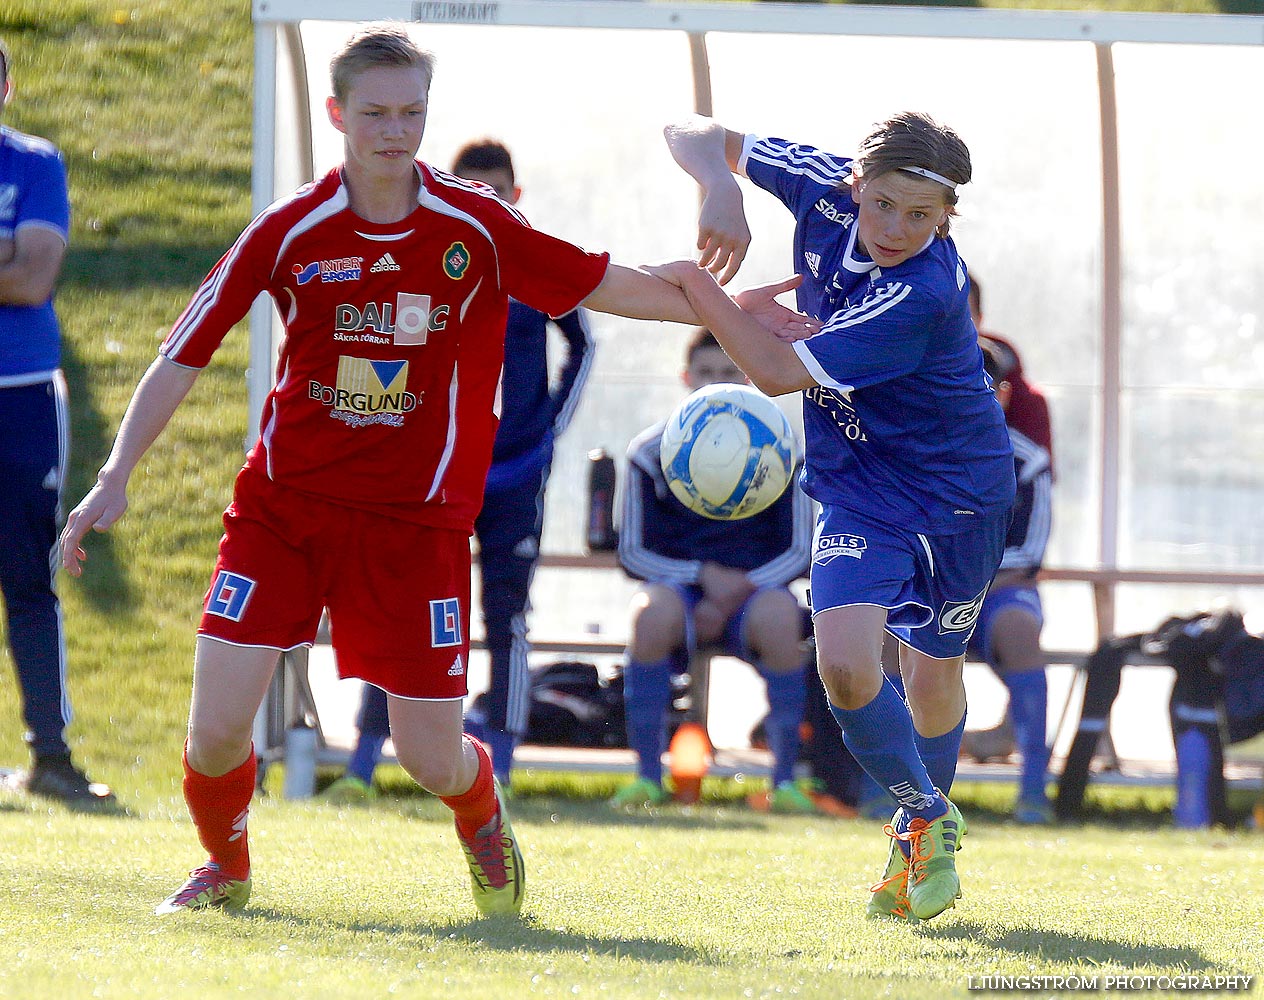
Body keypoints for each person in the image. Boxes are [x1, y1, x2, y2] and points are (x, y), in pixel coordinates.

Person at [58, 25, 803, 918]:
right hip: (281, 509)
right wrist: (115, 474)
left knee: (429, 757)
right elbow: (185, 351)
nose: (394, 132)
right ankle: (226, 867)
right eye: (374, 113)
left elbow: (601, 281)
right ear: (338, 114)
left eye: (412, 112)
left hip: (415, 527)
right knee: (215, 733)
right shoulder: (290, 228)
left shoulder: (475, 225)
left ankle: (482, 814)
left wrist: (720, 310)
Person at [654, 111, 1016, 922]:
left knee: (931, 678)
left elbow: (778, 373)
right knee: (848, 665)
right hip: (859, 487)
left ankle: (910, 844)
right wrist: (719, 182)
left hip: (959, 494)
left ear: (947, 217)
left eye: (921, 216)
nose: (896, 228)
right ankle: (927, 817)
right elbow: (691, 127)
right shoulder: (820, 185)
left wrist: (704, 285)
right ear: (854, 187)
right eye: (883, 204)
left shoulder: (922, 292)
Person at [325, 138, 595, 802]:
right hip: (437, 475)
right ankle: (364, 762)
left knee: (506, 614)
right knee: (399, 606)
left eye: (495, 192)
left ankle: (500, 764)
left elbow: (584, 343)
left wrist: (548, 426)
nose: (484, 202)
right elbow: (388, 346)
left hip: (516, 474)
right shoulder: (426, 260)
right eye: (469, 190)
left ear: (515, 195)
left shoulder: (535, 264)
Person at [612, 327, 815, 812]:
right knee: (649, 616)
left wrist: (733, 592)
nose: (715, 383)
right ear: (686, 377)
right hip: (680, 589)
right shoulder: (649, 451)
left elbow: (801, 551)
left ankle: (786, 782)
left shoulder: (784, 450)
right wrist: (702, 577)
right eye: (705, 373)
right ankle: (646, 778)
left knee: (783, 620)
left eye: (727, 373)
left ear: (746, 376)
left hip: (755, 594)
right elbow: (633, 553)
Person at [0, 39, 115, 808]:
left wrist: (17, 264)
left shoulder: (36, 163)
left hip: (22, 396)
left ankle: (53, 759)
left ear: (6, 86)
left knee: (29, 582)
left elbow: (35, 276)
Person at [959, 277, 1055, 765]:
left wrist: (966, 577)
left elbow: (1029, 551)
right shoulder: (913, 447)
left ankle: (1035, 789)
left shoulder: (1027, 456)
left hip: (997, 590)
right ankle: (888, 786)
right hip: (931, 589)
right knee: (884, 627)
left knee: (1018, 629)